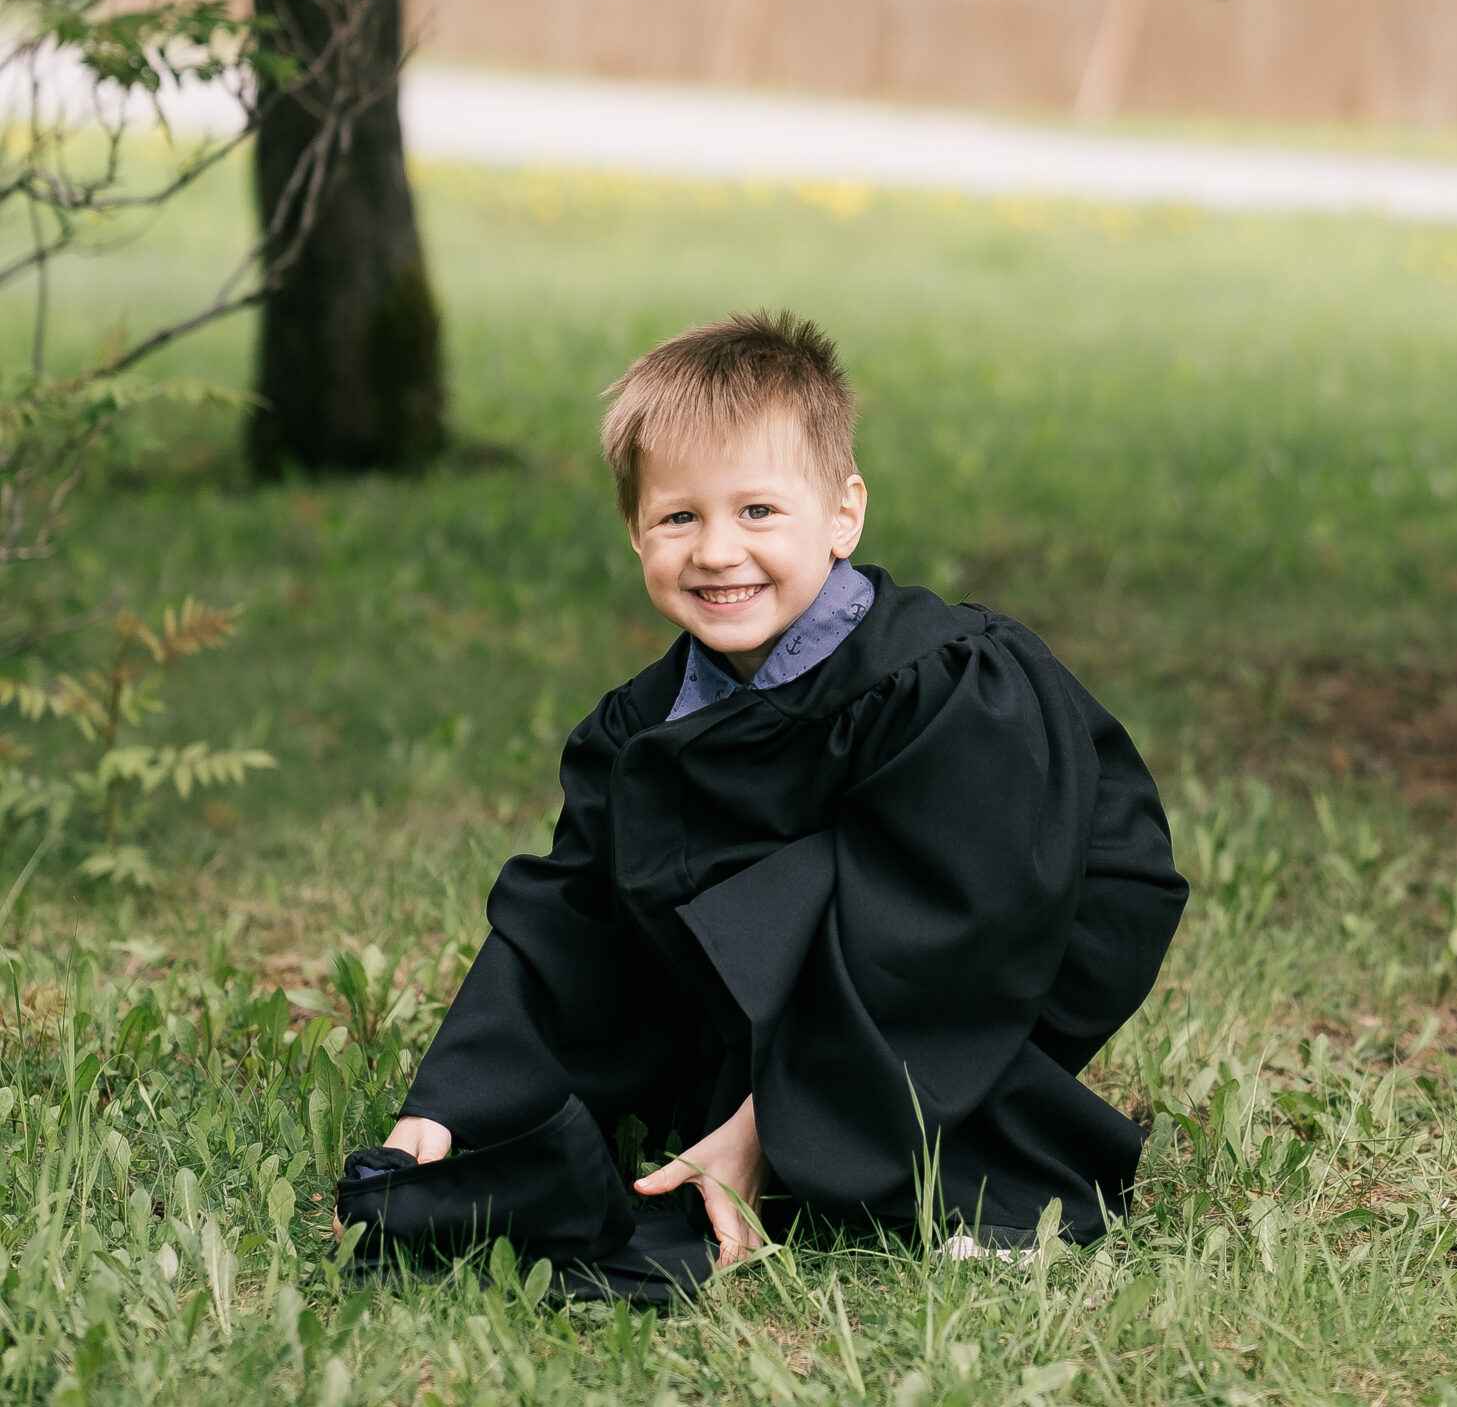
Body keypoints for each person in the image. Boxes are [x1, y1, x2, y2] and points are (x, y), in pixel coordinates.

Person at [361, 311, 1186, 1290]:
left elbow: (955, 923)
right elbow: (572, 915)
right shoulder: (639, 728)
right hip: (832, 929)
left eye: (757, 511)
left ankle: (956, 1162)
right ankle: (780, 1100)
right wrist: (451, 1104)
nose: (717, 551)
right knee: (668, 909)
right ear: (634, 531)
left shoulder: (945, 685)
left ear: (842, 514)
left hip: (1012, 926)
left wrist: (764, 1133)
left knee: (818, 935)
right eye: (678, 518)